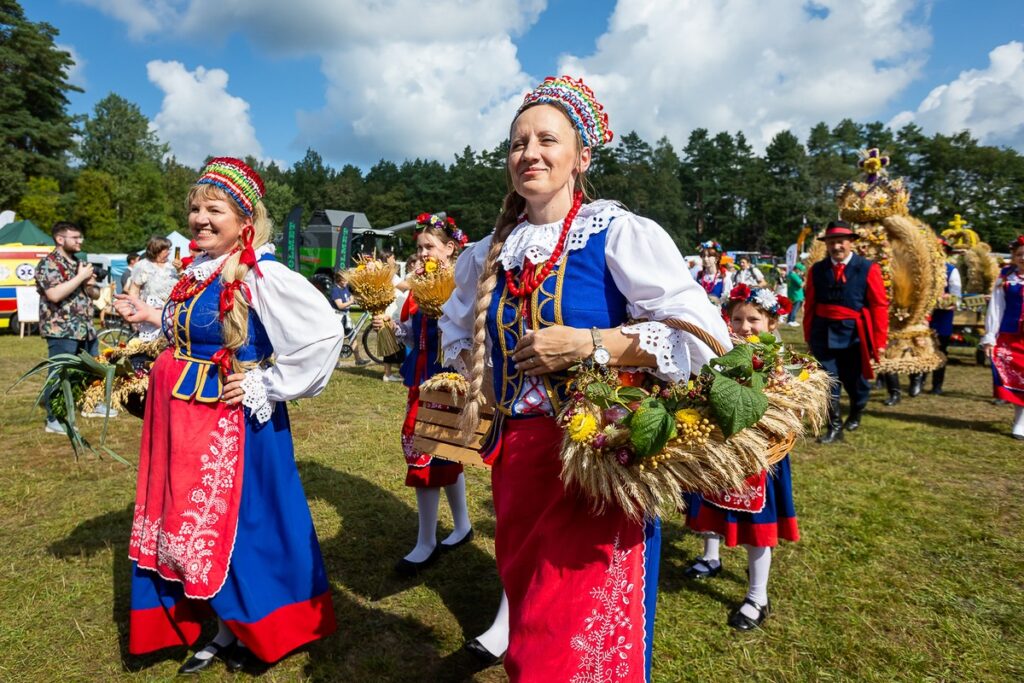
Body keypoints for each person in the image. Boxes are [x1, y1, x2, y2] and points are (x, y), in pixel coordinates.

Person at [439, 75, 730, 682]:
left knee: (571, 640)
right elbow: (457, 330)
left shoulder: (619, 234)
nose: (530, 154)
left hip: (596, 462)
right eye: (518, 144)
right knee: (532, 624)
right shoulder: (487, 253)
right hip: (516, 461)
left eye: (548, 140)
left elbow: (705, 338)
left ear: (581, 157)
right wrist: (472, 381)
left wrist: (591, 344)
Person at [113, 157, 344, 673]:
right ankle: (218, 623)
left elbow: (324, 334)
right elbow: (194, 334)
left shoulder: (262, 272)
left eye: (213, 209)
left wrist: (268, 381)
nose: (199, 218)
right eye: (194, 208)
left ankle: (253, 627)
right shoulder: (196, 273)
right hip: (182, 421)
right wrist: (152, 319)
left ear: (245, 221)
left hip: (233, 427)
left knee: (241, 528)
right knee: (191, 521)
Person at [682, 284, 797, 630]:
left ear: (772, 323)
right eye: (737, 319)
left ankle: (757, 596)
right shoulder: (721, 353)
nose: (745, 327)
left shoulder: (781, 362)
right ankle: (710, 557)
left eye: (753, 320)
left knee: (756, 527)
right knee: (709, 506)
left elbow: (789, 408)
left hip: (759, 458)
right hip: (721, 451)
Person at [374, 214, 473, 576]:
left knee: (428, 452)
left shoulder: (461, 288)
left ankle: (427, 541)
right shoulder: (419, 290)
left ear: (450, 249)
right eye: (418, 248)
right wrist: (388, 326)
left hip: (446, 383)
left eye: (429, 246)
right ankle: (460, 527)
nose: (422, 253)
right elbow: (409, 333)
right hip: (419, 381)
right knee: (442, 453)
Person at [803, 221, 889, 443]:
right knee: (828, 381)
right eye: (831, 242)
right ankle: (835, 426)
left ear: (851, 242)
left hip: (854, 336)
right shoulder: (817, 270)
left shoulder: (868, 268)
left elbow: (879, 305)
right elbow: (810, 304)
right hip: (822, 333)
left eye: (840, 241)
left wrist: (879, 341)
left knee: (856, 384)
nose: (836, 246)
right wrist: (808, 334)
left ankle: (856, 410)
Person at [35, 221, 105, 433]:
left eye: (80, 237)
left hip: (85, 327)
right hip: (61, 329)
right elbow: (54, 294)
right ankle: (55, 419)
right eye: (75, 237)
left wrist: (88, 283)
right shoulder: (48, 264)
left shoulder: (78, 263)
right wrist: (80, 277)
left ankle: (90, 405)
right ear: (60, 239)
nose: (80, 241)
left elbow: (95, 295)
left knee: (93, 368)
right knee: (59, 372)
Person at [981, 236, 1024, 439]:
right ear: (1014, 257)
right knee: (1016, 381)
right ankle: (1020, 421)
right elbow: (996, 308)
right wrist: (990, 336)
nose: (1023, 258)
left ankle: (1020, 422)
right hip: (1011, 336)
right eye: (1019, 255)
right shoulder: (1006, 278)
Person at [910, 239, 961, 395]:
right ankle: (918, 381)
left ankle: (937, 385)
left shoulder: (951, 271)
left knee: (940, 350)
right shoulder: (919, 269)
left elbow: (956, 299)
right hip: (920, 317)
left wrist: (939, 300)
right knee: (917, 348)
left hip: (941, 317)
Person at [126, 235, 179, 340]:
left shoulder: (172, 266)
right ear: (156, 250)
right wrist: (133, 313)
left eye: (169, 249)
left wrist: (180, 269)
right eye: (166, 250)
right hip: (150, 316)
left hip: (172, 314)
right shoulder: (142, 266)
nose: (168, 252)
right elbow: (134, 292)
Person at [693, 240, 733, 304]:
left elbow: (727, 301)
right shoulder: (698, 276)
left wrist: (717, 302)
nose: (705, 259)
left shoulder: (724, 278)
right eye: (703, 256)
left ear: (716, 259)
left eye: (709, 256)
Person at [785, 262, 806, 326]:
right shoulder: (794, 276)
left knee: (792, 308)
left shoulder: (789, 274)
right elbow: (801, 285)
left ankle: (789, 320)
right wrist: (805, 280)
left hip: (791, 293)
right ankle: (792, 320)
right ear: (797, 269)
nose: (801, 272)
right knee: (795, 308)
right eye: (800, 270)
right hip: (797, 294)